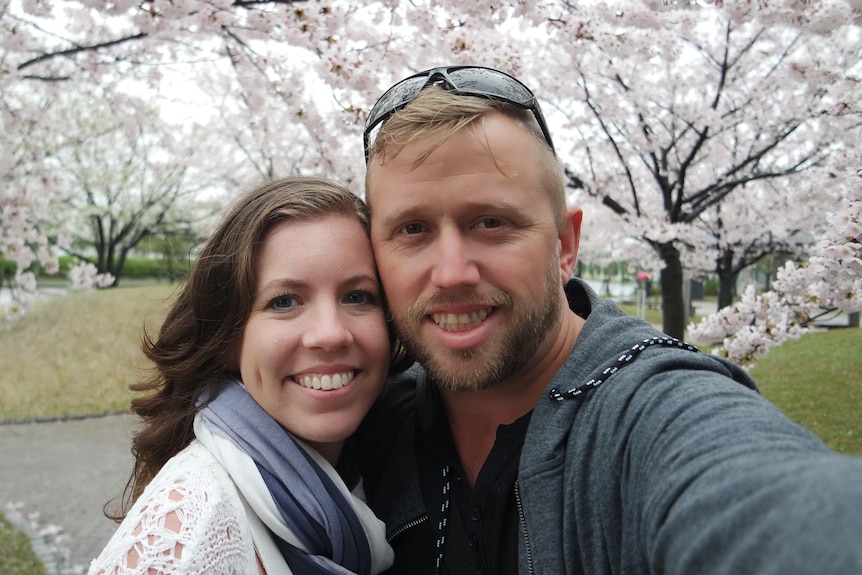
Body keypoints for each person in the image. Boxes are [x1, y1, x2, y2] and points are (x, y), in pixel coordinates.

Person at [355, 65, 862, 574]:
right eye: (412, 229)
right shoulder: (365, 418)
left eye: (491, 222)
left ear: (565, 246)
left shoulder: (651, 413)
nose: (452, 274)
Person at [89, 176, 410, 574]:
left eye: (357, 296)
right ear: (227, 340)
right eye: (284, 301)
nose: (330, 333)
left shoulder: (368, 479)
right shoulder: (185, 536)